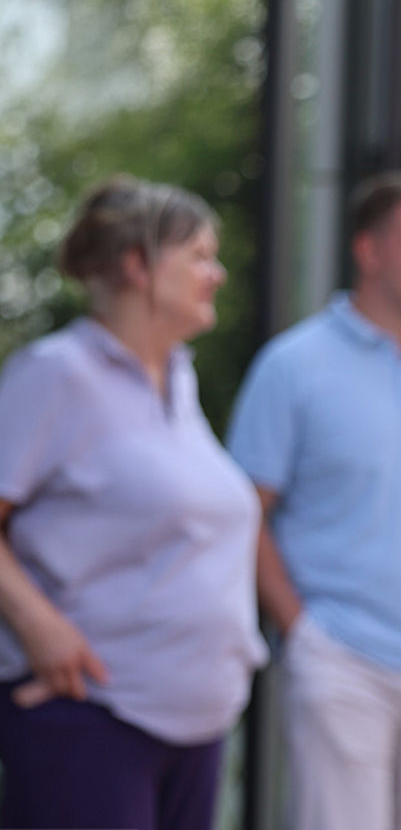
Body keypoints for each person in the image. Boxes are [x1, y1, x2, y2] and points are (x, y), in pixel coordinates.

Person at [226, 171, 401, 830]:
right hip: (343, 657)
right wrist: (303, 631)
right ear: (369, 251)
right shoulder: (292, 365)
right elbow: (242, 511)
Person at [0, 176, 266, 830]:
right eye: (199, 256)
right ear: (136, 264)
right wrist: (40, 625)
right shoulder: (57, 373)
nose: (218, 273)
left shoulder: (178, 379)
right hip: (93, 718)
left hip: (196, 722)